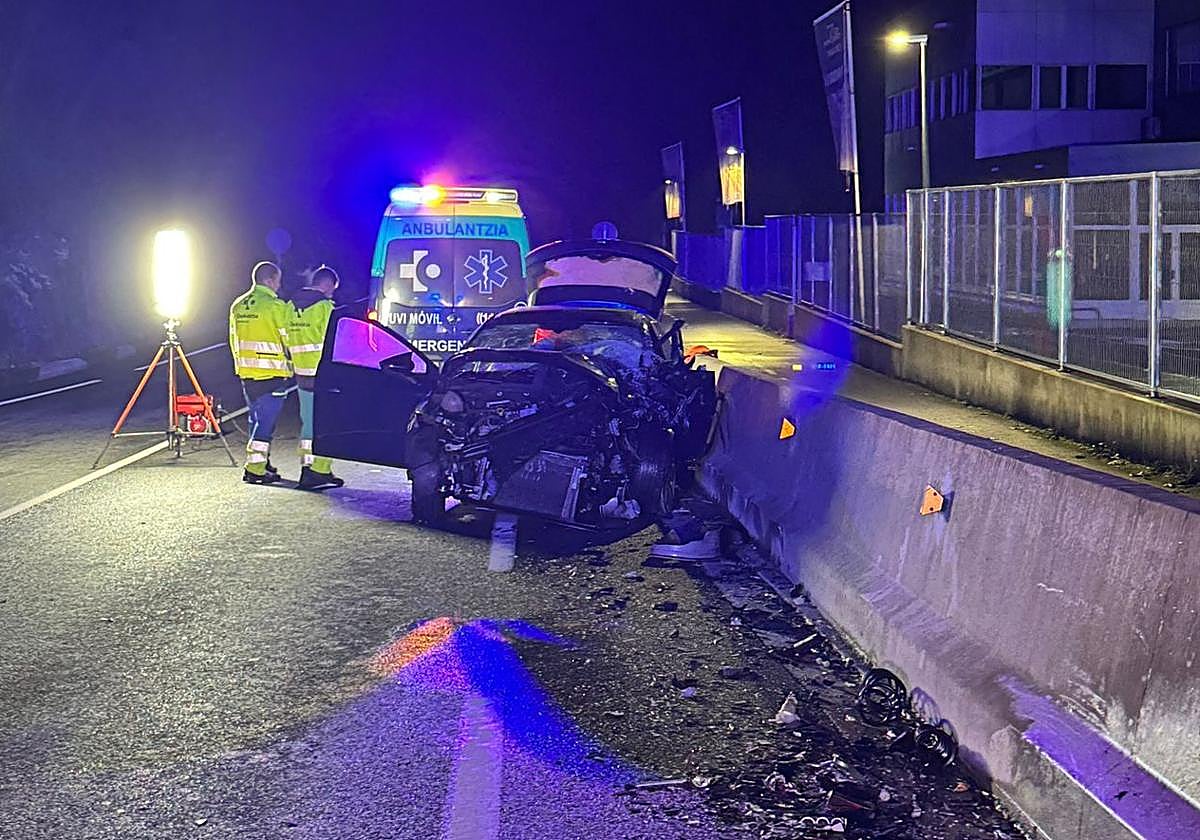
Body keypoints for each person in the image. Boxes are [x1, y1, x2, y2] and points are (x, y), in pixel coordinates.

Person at [229, 261, 293, 484]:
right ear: (269, 280)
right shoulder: (275, 306)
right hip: (271, 373)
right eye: (277, 280)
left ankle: (263, 462)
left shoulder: (238, 305)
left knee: (256, 419)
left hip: (246, 372)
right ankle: (255, 469)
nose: (279, 284)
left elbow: (233, 339)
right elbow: (289, 339)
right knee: (266, 423)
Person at [285, 264, 344, 490]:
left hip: (301, 371)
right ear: (326, 284)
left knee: (308, 421)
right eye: (332, 289)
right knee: (326, 422)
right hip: (322, 373)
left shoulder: (290, 306)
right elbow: (334, 341)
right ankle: (318, 470)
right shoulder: (324, 307)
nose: (332, 293)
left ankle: (310, 469)